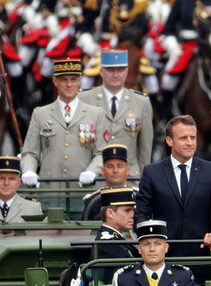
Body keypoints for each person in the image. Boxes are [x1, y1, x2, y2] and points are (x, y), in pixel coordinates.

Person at [134, 115, 211, 264]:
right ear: (169, 141)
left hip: (202, 258)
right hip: (163, 261)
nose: (190, 143)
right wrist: (152, 241)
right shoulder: (152, 172)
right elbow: (141, 214)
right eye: (183, 138)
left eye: (193, 137)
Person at [20, 58, 107, 191]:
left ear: (80, 80)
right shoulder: (40, 114)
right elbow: (30, 152)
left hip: (83, 191)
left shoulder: (96, 114)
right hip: (50, 190)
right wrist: (28, 171)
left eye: (73, 79)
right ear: (55, 81)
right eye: (64, 80)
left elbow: (102, 152)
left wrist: (92, 171)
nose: (69, 84)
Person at [78, 49, 153, 180]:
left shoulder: (141, 102)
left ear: (127, 71)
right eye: (110, 70)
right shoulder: (84, 99)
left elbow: (145, 150)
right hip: (94, 179)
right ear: (101, 71)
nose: (115, 75)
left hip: (130, 179)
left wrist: (143, 182)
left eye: (120, 70)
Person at [112, 220, 196, 286]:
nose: (152, 249)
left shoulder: (184, 276)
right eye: (146, 244)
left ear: (166, 248)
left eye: (158, 244)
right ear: (140, 249)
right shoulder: (123, 278)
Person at [92, 187, 139, 284]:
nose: (132, 215)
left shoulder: (115, 239)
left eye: (132, 210)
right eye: (127, 211)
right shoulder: (108, 245)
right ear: (110, 213)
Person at [82, 143, 137, 220]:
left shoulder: (139, 198)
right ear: (103, 171)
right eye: (110, 166)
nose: (115, 170)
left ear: (127, 170)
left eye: (120, 166)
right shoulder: (92, 201)